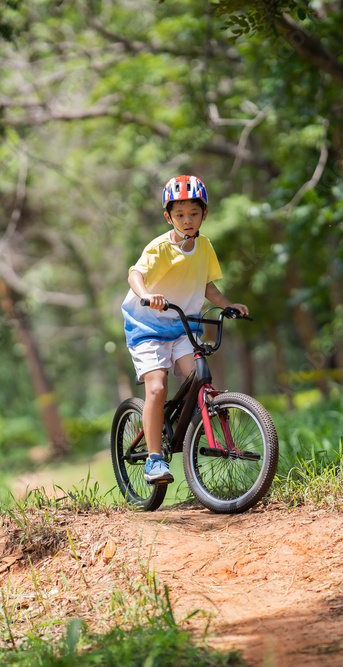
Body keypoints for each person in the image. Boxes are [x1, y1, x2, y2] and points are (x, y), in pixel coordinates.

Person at [121, 175, 249, 484]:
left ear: (205, 214)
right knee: (156, 387)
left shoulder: (204, 247)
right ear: (169, 217)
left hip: (182, 327)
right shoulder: (160, 247)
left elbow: (207, 286)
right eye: (179, 214)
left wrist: (228, 304)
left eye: (193, 213)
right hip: (147, 326)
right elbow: (135, 275)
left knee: (199, 380)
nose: (187, 220)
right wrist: (145, 296)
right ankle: (154, 459)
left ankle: (186, 435)